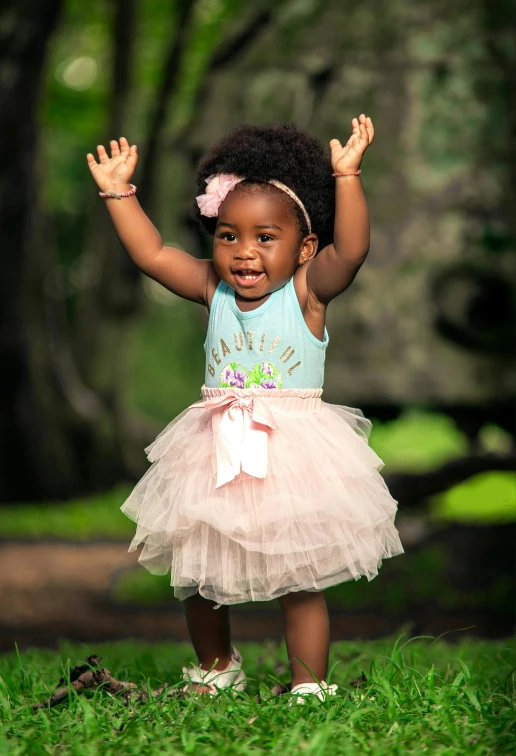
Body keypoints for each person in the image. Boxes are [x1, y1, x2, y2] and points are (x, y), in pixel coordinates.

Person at [86, 116, 404, 703]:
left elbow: (353, 249)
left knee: (300, 579)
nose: (244, 252)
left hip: (294, 456)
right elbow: (153, 253)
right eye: (228, 235)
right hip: (218, 450)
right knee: (201, 573)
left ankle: (309, 682)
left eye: (265, 237)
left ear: (305, 246)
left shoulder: (306, 293)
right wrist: (118, 193)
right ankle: (216, 666)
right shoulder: (213, 289)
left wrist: (349, 176)